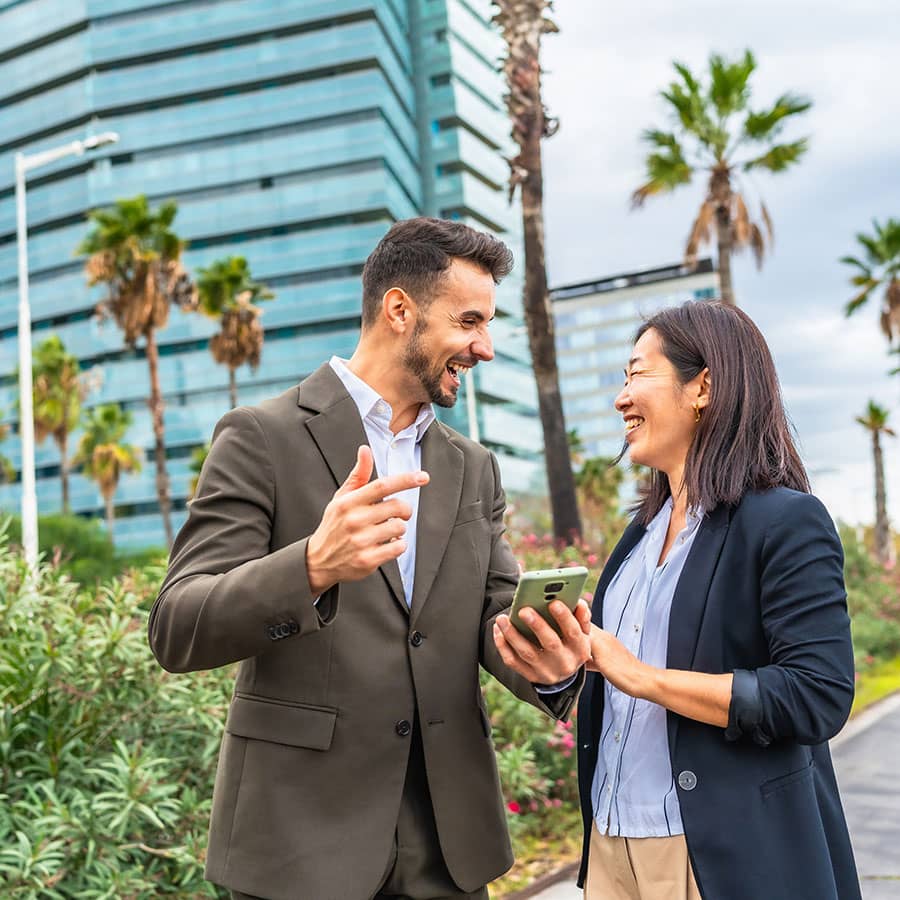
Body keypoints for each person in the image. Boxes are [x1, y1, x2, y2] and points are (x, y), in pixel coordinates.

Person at [148, 217, 590, 900]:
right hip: (299, 848)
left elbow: (493, 619)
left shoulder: (473, 468)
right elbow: (177, 626)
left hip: (447, 848)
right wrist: (312, 566)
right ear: (398, 310)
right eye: (469, 321)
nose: (486, 347)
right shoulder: (261, 438)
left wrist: (553, 668)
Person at [520, 301, 858, 899]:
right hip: (610, 846)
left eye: (637, 374)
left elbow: (816, 694)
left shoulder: (784, 520)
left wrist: (645, 677)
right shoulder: (636, 537)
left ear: (703, 386)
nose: (622, 398)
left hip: (715, 855)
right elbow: (614, 686)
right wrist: (560, 673)